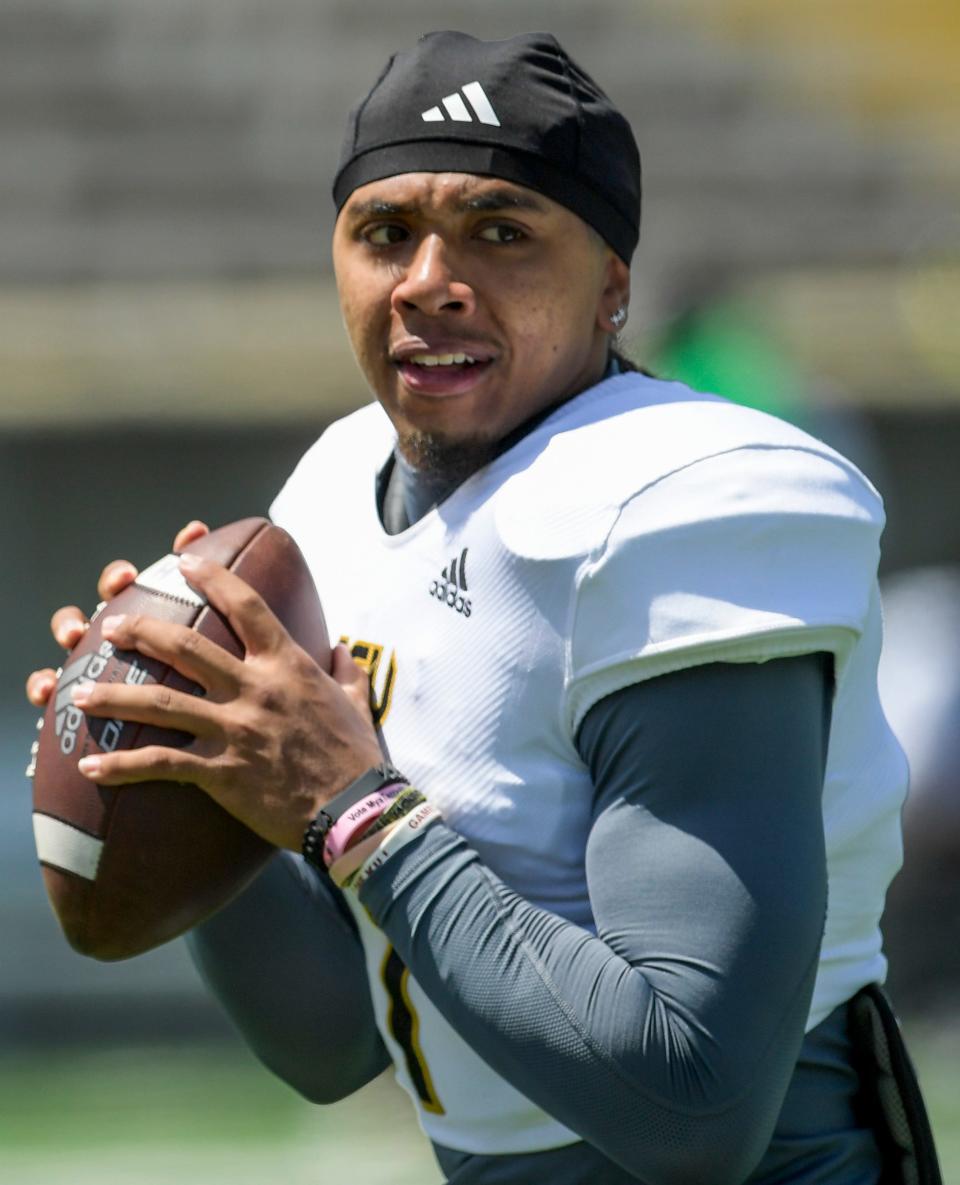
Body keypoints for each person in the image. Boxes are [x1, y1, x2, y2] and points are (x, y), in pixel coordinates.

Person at [27, 31, 941, 1185]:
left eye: (500, 232)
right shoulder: (333, 486)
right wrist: (210, 780)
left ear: (612, 282)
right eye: (385, 233)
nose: (428, 281)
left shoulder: (685, 501)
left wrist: (351, 806)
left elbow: (693, 1103)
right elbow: (330, 1046)